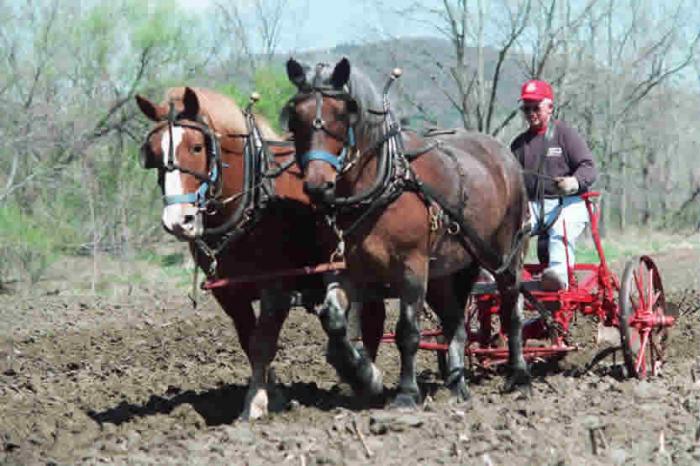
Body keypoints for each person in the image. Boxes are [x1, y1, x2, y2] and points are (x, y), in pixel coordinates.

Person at [510, 79, 598, 290]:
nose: (531, 112)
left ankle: (558, 278)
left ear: (549, 107)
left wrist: (574, 182)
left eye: (536, 107)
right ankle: (504, 275)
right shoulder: (518, 145)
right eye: (526, 108)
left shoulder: (566, 135)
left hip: (569, 203)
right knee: (507, 229)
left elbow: (588, 167)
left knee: (561, 230)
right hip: (533, 206)